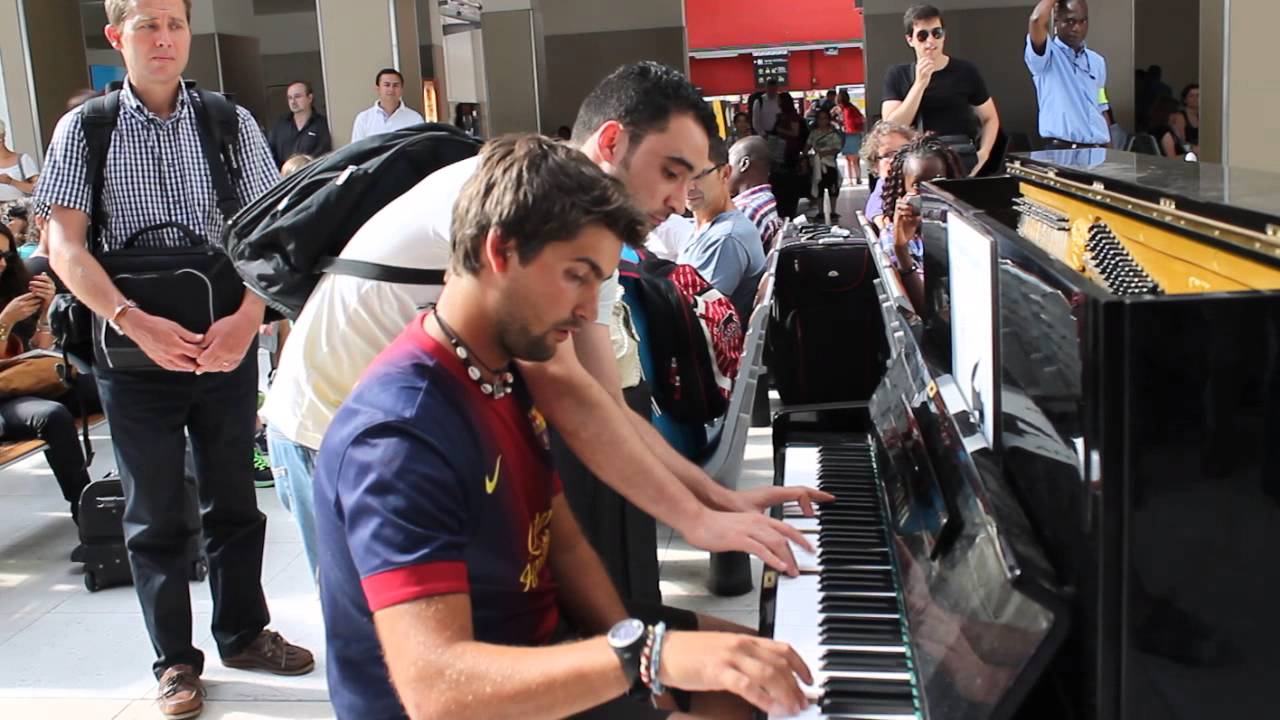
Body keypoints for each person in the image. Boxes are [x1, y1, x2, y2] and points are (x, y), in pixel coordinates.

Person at [262, 60, 828, 589]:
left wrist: (713, 498)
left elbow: (601, 398)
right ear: (610, 142)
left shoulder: (592, 228)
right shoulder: (523, 201)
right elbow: (568, 394)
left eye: (692, 180)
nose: (680, 202)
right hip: (328, 424)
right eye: (670, 173)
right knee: (391, 657)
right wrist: (699, 517)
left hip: (412, 429)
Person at [314, 133, 814, 720]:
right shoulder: (400, 436)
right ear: (501, 251)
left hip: (546, 642)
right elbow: (437, 689)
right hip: (481, 694)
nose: (585, 310)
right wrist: (648, 660)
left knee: (771, 673)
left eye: (598, 281)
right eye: (577, 275)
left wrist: (638, 660)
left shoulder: (505, 366)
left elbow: (562, 539)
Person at [36, 1, 314, 717]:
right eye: (146, 26)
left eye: (176, 25)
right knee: (154, 511)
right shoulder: (86, 130)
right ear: (115, 37)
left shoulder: (229, 123)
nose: (163, 39)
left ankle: (245, 632)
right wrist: (131, 320)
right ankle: (174, 663)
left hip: (225, 343)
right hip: (133, 357)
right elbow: (64, 246)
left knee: (234, 500)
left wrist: (248, 322)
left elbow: (271, 236)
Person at [0, 223, 95, 526]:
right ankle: (86, 511)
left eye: (6, 254)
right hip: (5, 399)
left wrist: (45, 313)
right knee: (51, 416)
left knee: (111, 389)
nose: (2, 263)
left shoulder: (11, 286)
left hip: (26, 382)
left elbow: (40, 348)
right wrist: (4, 322)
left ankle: (140, 491)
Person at [882, 3, 1000, 176]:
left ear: (944, 36)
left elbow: (990, 118)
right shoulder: (898, 75)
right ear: (910, 40)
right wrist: (920, 83)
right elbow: (893, 127)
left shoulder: (965, 71)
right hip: (916, 167)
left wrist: (983, 155)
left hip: (959, 161)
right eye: (922, 36)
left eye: (937, 33)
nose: (931, 41)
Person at [682, 137, 768, 319]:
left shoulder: (725, 238)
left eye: (698, 175)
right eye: (678, 176)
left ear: (725, 173)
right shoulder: (708, 227)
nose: (688, 186)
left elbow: (694, 318)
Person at [881, 135, 965, 310]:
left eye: (938, 183)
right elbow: (926, 310)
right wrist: (901, 248)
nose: (930, 193)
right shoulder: (893, 237)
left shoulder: (963, 228)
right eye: (919, 186)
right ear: (903, 189)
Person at [1026, 0, 1112, 149]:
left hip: (1097, 151)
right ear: (1056, 21)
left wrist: (1112, 153)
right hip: (1062, 151)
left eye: (1082, 21)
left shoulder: (1097, 61)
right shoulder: (1048, 56)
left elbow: (1102, 107)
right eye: (1069, 21)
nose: (1076, 28)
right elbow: (1036, 20)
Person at [860, 121, 919, 231]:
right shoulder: (883, 184)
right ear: (875, 165)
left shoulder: (919, 183)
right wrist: (880, 219)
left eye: (904, 152)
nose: (896, 159)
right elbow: (875, 204)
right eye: (888, 155)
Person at [729, 136, 783, 253]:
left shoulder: (746, 210)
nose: (723, 172)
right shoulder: (765, 201)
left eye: (728, 164)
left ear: (744, 164)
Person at [266, 81, 332, 168]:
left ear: (310, 98)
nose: (293, 101)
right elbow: (270, 153)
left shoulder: (322, 124)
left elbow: (324, 156)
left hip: (311, 177)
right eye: (290, 98)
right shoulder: (279, 126)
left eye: (297, 97)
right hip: (284, 178)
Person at [350, 68, 425, 143]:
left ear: (402, 89)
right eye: (387, 85)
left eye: (395, 85)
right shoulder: (363, 119)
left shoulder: (415, 119)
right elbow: (356, 151)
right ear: (378, 88)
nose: (391, 89)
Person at [770, 92, 806, 219]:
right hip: (785, 153)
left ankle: (788, 210)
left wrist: (780, 130)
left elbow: (795, 133)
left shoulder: (791, 116)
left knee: (787, 182)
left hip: (789, 153)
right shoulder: (784, 116)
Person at [805, 108, 844, 223]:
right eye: (820, 119)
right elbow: (807, 147)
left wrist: (825, 153)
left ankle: (833, 211)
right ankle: (820, 211)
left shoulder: (833, 133)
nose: (823, 121)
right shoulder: (814, 133)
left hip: (830, 164)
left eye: (825, 118)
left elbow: (837, 149)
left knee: (833, 189)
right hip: (818, 165)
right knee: (819, 188)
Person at [0, 119, 40, 203]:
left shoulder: (22, 160)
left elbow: (39, 190)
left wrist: (11, 181)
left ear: (1, 138)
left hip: (19, 213)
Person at [836, 90, 865, 185]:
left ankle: (850, 179)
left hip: (848, 135)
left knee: (848, 159)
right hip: (856, 135)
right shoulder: (852, 108)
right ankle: (857, 177)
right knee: (855, 159)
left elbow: (847, 124)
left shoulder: (846, 110)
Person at [1179, 84, 1200, 153]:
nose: (1195, 99)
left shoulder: (1203, 116)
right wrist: (1194, 150)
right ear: (1185, 100)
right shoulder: (1180, 116)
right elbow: (1181, 142)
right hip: (1186, 154)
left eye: (1198, 96)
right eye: (1191, 96)